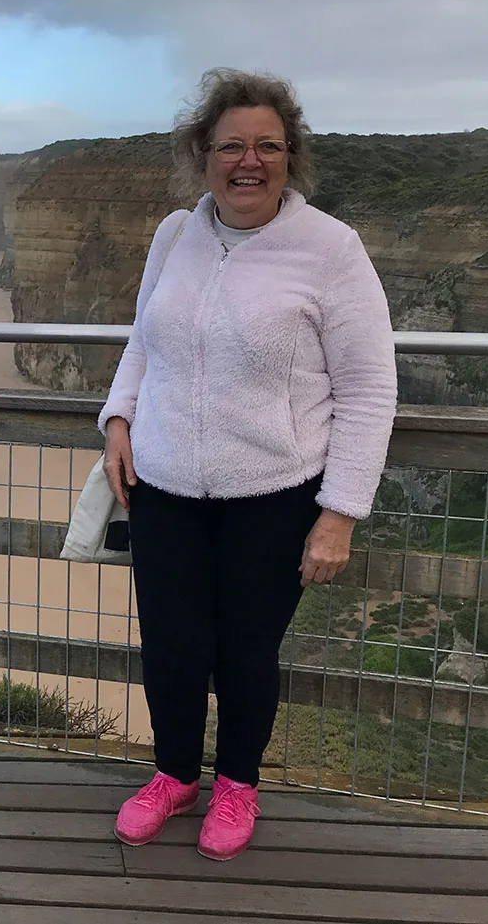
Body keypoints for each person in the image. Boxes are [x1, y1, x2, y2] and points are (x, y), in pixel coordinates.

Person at [97, 68, 397, 861]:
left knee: (243, 652)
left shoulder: (331, 250)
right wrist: (118, 414)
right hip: (161, 488)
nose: (248, 160)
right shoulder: (174, 234)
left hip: (273, 495)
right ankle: (173, 776)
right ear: (204, 154)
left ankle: (237, 783)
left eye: (267, 145)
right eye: (232, 144)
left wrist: (339, 513)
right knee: (168, 646)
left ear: (290, 157)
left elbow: (370, 386)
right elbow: (142, 340)